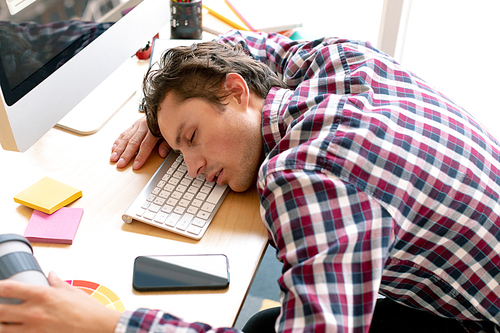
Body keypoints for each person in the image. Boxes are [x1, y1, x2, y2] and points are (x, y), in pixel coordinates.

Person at [2, 29, 500, 333]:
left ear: (237, 91)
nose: (192, 166)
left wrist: (108, 324)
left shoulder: (305, 176)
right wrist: (160, 117)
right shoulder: (340, 63)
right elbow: (238, 49)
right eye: (180, 149)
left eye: (192, 137)